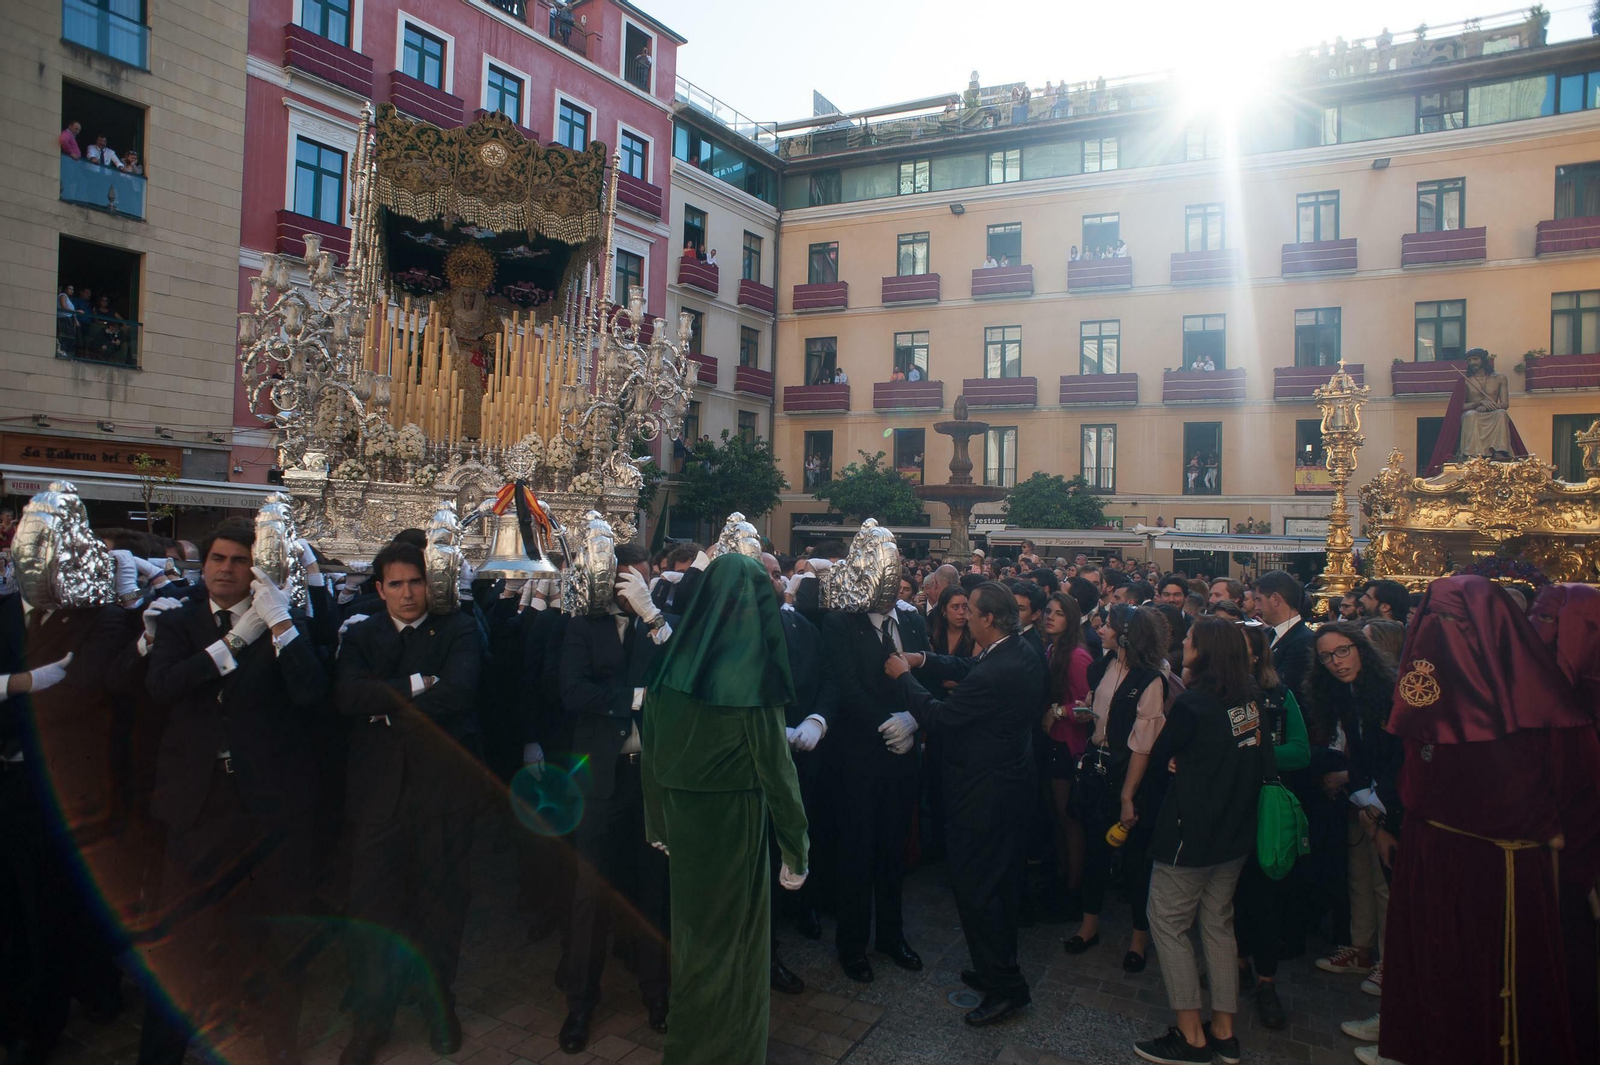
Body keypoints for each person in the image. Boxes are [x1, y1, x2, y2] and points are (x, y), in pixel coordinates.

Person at [1375, 576, 1600, 1065]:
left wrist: (1560, 848)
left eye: (1451, 620)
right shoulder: (1426, 699)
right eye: (1430, 620)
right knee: (1438, 980)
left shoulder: (1547, 709)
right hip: (1430, 860)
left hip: (1505, 874)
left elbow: (1575, 796)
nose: (1437, 632)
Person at [139, 520, 327, 1065]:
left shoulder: (282, 621)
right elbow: (163, 686)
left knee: (274, 930)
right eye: (217, 559)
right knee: (182, 936)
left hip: (266, 801)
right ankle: (161, 1051)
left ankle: (278, 1040)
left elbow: (311, 692)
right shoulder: (179, 621)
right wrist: (233, 642)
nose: (226, 569)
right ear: (203, 566)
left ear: (256, 571)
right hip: (197, 803)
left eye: (239, 560)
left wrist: (277, 623)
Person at [641, 554, 810, 1065]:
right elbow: (777, 772)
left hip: (683, 822)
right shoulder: (752, 677)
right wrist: (796, 848)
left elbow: (652, 751)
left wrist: (658, 822)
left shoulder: (671, 663)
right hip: (735, 823)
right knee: (738, 947)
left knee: (693, 942)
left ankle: (689, 1049)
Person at [335, 540, 485, 1065]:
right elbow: (347, 696)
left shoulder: (459, 628)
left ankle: (439, 1003)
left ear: (431, 583)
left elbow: (461, 692)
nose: (407, 593)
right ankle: (372, 1019)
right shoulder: (362, 633)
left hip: (442, 792)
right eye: (395, 584)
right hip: (378, 795)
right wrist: (420, 684)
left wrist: (386, 708)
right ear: (379, 589)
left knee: (442, 904)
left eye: (415, 581)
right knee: (373, 908)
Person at [882, 582, 1046, 1026]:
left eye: (971, 611)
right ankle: (995, 969)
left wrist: (904, 677)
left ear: (988, 618)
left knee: (981, 890)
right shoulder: (1017, 649)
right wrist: (924, 658)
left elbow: (941, 717)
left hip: (986, 794)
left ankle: (1005, 988)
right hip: (1008, 786)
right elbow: (970, 665)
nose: (965, 616)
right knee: (996, 888)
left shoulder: (1000, 669)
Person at [556, 541, 679, 1051]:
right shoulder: (584, 627)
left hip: (650, 776)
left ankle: (657, 993)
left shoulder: (662, 625)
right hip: (601, 776)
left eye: (640, 578)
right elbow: (572, 691)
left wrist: (653, 616)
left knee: (654, 889)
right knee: (592, 891)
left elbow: (684, 675)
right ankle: (580, 1003)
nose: (630, 587)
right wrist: (632, 698)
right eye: (622, 578)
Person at [1133, 617, 1270, 1065]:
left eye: (1190, 639)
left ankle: (1191, 1035)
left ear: (1205, 650)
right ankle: (1224, 1031)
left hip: (1190, 834)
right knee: (1217, 924)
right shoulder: (1250, 695)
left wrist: (1176, 760)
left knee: (1168, 923)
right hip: (1235, 831)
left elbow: (1161, 752)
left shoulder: (1193, 703)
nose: (1184, 643)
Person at [815, 568, 930, 984]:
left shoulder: (912, 620)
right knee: (857, 852)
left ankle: (892, 937)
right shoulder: (840, 622)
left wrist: (913, 721)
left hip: (903, 755)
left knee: (894, 850)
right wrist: (887, 724)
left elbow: (926, 676)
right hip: (858, 756)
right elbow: (846, 686)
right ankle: (852, 945)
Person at [1065, 605, 1173, 973]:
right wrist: (1088, 709)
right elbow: (1099, 706)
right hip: (1098, 767)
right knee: (1096, 850)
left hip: (1132, 774)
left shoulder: (1150, 679)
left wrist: (1128, 795)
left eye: (1108, 626)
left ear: (1126, 634)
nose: (1100, 629)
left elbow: (1143, 745)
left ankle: (1138, 940)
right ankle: (1089, 925)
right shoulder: (1102, 666)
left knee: (1136, 861)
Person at [1306, 623, 1401, 1014]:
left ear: (1361, 648)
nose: (1336, 662)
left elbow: (1399, 758)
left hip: (1392, 804)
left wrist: (1377, 807)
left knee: (1385, 886)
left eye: (1342, 651)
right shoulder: (1342, 694)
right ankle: (1361, 949)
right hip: (1363, 800)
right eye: (1327, 657)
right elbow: (1358, 754)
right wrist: (1363, 801)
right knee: (1360, 878)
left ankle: (1390, 962)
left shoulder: (1389, 692)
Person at [1232, 622, 1310, 1031]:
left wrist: (1255, 754)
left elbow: (1300, 751)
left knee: (1263, 898)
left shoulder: (1279, 695)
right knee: (1229, 895)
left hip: (1263, 809)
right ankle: (1237, 964)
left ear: (1256, 655)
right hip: (1226, 809)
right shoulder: (1213, 694)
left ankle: (1266, 982)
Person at [1039, 592, 1093, 920]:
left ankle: (1074, 892)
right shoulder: (1052, 650)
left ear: (1070, 619)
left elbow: (1088, 706)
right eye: (1048, 611)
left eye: (1059, 613)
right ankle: (1061, 881)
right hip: (1052, 743)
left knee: (1068, 820)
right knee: (1056, 819)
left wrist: (1058, 711)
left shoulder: (1076, 655)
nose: (1050, 616)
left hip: (1068, 746)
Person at [1425, 347, 1524, 472]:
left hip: (1493, 412)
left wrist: (1488, 407)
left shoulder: (1500, 378)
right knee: (1470, 416)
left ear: (1483, 360)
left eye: (1475, 359)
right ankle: (1472, 453)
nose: (1472, 362)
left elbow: (1505, 404)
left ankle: (1499, 451)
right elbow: (1458, 407)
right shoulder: (1465, 381)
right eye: (1469, 360)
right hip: (1472, 412)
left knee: (1501, 414)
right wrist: (1478, 403)